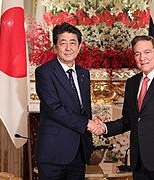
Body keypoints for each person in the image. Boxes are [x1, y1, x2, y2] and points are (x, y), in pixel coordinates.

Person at [91, 35, 154, 180]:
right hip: (139, 163)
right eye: (137, 54)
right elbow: (128, 120)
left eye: (147, 52)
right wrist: (104, 128)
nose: (142, 57)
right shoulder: (132, 83)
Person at [35, 22, 100, 180]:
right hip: (53, 153)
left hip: (79, 152)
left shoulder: (83, 73)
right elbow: (54, 108)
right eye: (63, 43)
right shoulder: (44, 72)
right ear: (55, 47)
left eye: (73, 43)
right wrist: (87, 123)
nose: (68, 48)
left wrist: (92, 126)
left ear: (79, 47)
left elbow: (83, 108)